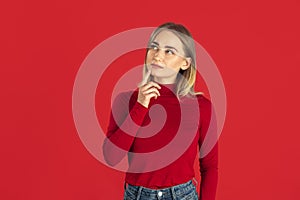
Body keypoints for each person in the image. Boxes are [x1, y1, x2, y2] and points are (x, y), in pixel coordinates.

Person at [103, 22, 218, 200]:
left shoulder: (201, 107)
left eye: (169, 51)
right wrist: (141, 106)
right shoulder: (126, 101)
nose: (157, 55)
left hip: (182, 195)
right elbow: (111, 156)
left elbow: (210, 166)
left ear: (185, 63)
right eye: (154, 47)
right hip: (137, 195)